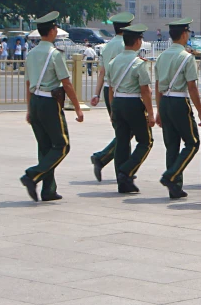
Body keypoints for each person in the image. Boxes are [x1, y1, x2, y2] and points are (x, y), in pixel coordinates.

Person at [20, 12, 84, 202]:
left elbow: (28, 83)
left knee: (45, 147)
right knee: (62, 145)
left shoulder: (31, 54)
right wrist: (78, 107)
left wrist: (29, 110)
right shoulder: (54, 54)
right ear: (52, 30)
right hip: (50, 102)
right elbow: (67, 83)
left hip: (36, 101)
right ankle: (32, 175)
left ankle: (49, 190)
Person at [155, 18, 201, 199]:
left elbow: (158, 85)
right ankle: (171, 176)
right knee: (192, 143)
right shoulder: (187, 57)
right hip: (179, 101)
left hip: (165, 101)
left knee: (172, 146)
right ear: (184, 34)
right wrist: (200, 110)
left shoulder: (162, 56)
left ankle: (175, 187)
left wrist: (159, 110)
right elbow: (192, 87)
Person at [106, 24, 155, 194]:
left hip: (118, 103)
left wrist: (112, 108)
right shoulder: (139, 64)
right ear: (137, 41)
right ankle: (126, 171)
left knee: (122, 141)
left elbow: (111, 87)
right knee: (145, 141)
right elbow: (145, 91)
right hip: (133, 103)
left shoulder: (113, 62)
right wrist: (150, 113)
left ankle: (123, 183)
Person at [90, 12, 134, 182]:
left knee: (122, 131)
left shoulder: (107, 46)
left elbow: (102, 71)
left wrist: (96, 93)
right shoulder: (127, 44)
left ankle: (123, 167)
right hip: (123, 91)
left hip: (108, 89)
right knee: (126, 132)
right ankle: (105, 159)